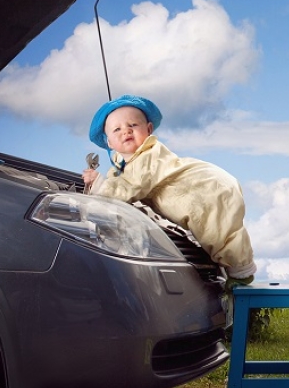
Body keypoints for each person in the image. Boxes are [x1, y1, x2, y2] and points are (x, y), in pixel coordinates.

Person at [83, 95, 256, 283]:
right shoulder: (124, 163)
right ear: (109, 142)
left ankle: (241, 272)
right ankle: (235, 268)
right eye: (117, 129)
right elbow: (121, 181)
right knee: (215, 227)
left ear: (149, 130)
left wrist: (100, 184)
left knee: (216, 228)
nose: (126, 131)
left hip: (203, 189)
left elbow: (130, 187)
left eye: (133, 125)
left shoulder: (148, 154)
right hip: (193, 190)